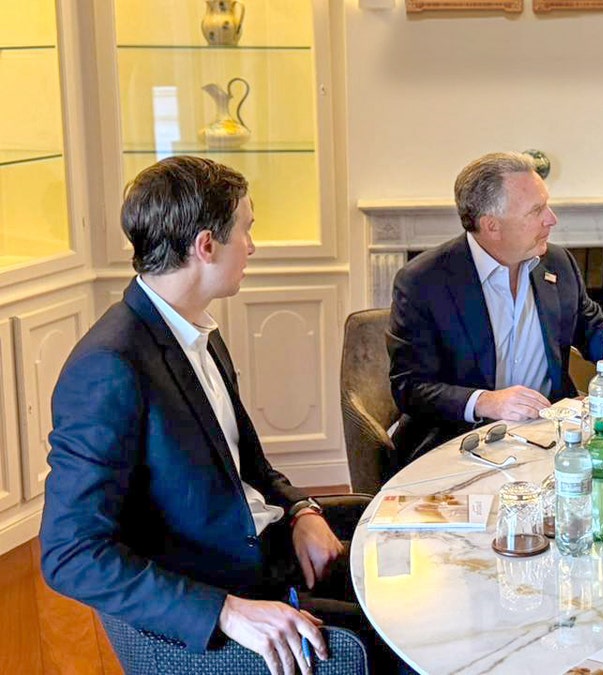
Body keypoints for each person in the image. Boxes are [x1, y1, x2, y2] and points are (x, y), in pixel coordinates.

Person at [39, 157, 391, 675]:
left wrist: (301, 511)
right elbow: (68, 554)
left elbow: (251, 469)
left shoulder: (198, 332)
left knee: (416, 562)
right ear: (206, 246)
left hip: (266, 548)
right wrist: (226, 613)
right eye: (246, 230)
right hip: (228, 587)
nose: (251, 246)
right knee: (408, 646)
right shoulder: (109, 368)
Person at [387, 151, 603, 465]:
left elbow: (588, 321)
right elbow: (410, 387)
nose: (552, 219)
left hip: (553, 437)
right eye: (537, 210)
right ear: (492, 225)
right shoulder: (424, 281)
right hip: (462, 445)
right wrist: (486, 402)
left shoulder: (557, 262)